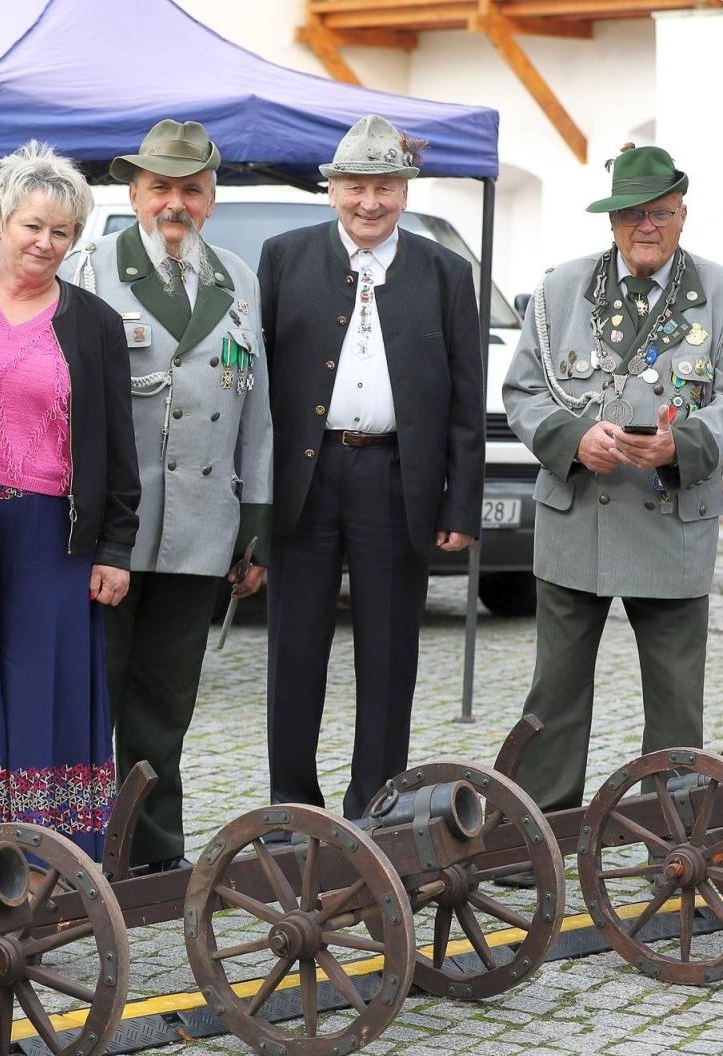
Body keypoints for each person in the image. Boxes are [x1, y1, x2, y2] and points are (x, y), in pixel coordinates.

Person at [502, 144, 723, 817]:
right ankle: (541, 830)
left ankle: (672, 836)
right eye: (632, 214)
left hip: (671, 519)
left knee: (676, 700)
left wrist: (684, 444)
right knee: (554, 694)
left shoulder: (722, 291)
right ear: (611, 220)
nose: (646, 227)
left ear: (682, 216)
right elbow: (525, 391)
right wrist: (572, 438)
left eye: (661, 213)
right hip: (577, 517)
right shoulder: (561, 288)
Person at [258, 114, 484, 821]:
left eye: (384, 188)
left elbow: (464, 396)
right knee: (296, 652)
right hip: (306, 479)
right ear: (332, 191)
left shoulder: (446, 272)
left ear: (404, 193)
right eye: (355, 187)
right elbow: (258, 387)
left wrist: (460, 504)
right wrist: (256, 506)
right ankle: (292, 806)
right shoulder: (283, 257)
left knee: (390, 657)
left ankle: (378, 803)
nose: (369, 203)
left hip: (395, 480)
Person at [0, 141, 139, 861]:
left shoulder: (94, 323)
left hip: (51, 528)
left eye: (62, 232)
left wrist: (115, 547)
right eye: (33, 226)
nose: (45, 243)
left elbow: (116, 443)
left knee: (47, 681)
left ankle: (53, 852)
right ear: (0, 222)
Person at [64, 120, 270, 874]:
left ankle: (154, 846)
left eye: (191, 190)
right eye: (161, 189)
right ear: (134, 194)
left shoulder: (237, 279)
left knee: (165, 702)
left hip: (201, 524)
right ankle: (88, 849)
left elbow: (259, 408)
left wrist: (258, 524)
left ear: (211, 200)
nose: (174, 205)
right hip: (112, 533)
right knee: (97, 694)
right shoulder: (89, 270)